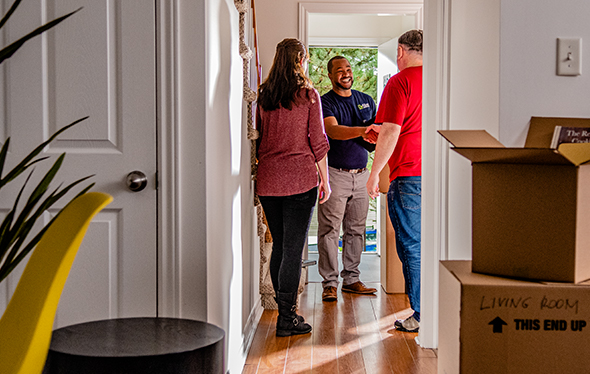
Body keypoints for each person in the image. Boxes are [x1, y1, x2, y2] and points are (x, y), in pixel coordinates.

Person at [256, 38, 331, 337]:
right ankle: (287, 319)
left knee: (280, 247)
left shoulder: (264, 96)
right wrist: (324, 178)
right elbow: (318, 141)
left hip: (269, 180)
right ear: (300, 59)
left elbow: (260, 138)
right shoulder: (308, 95)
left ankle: (283, 311)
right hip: (300, 179)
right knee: (292, 249)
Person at [366, 30, 423, 332]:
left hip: (409, 173)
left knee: (412, 246)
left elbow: (392, 131)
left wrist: (374, 173)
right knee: (429, 245)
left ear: (400, 51)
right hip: (436, 173)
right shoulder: (439, 79)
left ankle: (420, 315)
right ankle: (433, 311)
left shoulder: (399, 81)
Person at [317, 56, 380, 302]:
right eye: (339, 70)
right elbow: (332, 130)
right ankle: (329, 283)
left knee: (356, 230)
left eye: (348, 69)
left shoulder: (365, 100)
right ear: (330, 75)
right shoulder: (326, 102)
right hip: (335, 175)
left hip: (362, 175)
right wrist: (364, 130)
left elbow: (377, 133)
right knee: (330, 231)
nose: (345, 73)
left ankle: (351, 279)